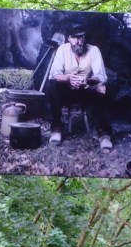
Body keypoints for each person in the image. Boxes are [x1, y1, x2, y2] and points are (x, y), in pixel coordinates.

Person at [45, 22, 112, 151]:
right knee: (51, 85)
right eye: (74, 37)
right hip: (67, 91)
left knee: (102, 89)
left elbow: (101, 76)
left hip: (86, 90)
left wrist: (87, 80)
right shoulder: (62, 49)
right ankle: (56, 129)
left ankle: (104, 134)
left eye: (81, 37)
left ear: (85, 37)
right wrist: (68, 78)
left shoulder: (94, 50)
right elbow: (54, 74)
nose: (78, 41)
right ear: (69, 38)